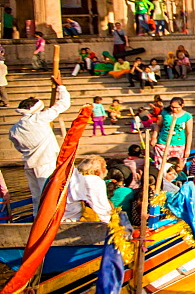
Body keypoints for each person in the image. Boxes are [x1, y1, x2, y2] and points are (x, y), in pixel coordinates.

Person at [8, 76, 71, 214]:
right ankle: (50, 221)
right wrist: (61, 87)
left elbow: (19, 147)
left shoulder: (14, 129)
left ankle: (38, 220)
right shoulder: (39, 118)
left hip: (29, 165)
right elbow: (63, 104)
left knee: (37, 198)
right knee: (50, 195)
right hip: (46, 163)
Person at [65, 155, 117, 223]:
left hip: (67, 216)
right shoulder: (95, 180)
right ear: (97, 170)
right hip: (84, 219)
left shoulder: (73, 179)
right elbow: (100, 206)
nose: (106, 170)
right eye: (104, 167)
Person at [154, 97, 194, 167]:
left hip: (179, 144)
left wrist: (187, 149)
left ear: (182, 105)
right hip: (163, 143)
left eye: (177, 107)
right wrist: (154, 137)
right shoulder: (165, 113)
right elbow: (158, 125)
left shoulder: (187, 116)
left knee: (176, 166)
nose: (174, 109)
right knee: (162, 166)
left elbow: (189, 133)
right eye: (172, 107)